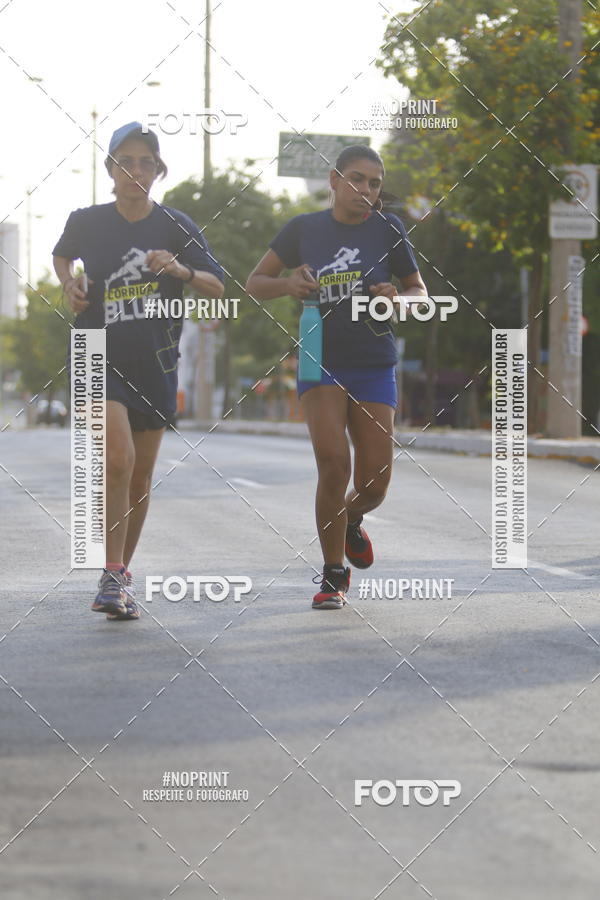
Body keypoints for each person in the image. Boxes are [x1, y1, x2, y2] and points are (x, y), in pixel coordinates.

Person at [53, 121, 224, 620]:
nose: (136, 170)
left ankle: (118, 576)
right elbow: (62, 255)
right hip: (95, 352)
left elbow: (217, 286)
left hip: (157, 360)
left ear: (158, 170)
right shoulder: (86, 220)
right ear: (110, 168)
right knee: (119, 460)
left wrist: (180, 270)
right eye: (126, 161)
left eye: (146, 162)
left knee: (142, 476)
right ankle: (110, 572)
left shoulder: (177, 225)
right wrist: (69, 283)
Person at [246, 145, 427, 609]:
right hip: (318, 358)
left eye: (373, 183)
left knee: (375, 483)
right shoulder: (303, 229)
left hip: (373, 361)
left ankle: (348, 518)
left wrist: (397, 299)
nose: (364, 190)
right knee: (332, 463)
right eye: (356, 179)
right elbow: (255, 283)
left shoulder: (389, 230)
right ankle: (333, 573)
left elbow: (418, 293)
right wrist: (289, 284)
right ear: (333, 179)